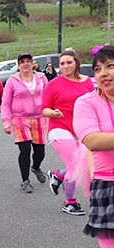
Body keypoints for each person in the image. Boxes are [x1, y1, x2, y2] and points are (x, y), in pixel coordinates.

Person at [72, 44, 114, 248]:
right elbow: (92, 140)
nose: (103, 74)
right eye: (98, 69)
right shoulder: (86, 102)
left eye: (110, 66)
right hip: (108, 186)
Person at [42, 49, 94, 215]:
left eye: (69, 62)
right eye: (62, 63)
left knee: (84, 162)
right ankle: (69, 202)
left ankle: (58, 175)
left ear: (76, 63)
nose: (65, 66)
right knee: (75, 164)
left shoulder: (87, 82)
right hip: (59, 128)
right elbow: (44, 109)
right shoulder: (53, 84)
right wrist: (54, 113)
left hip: (81, 129)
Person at [1, 52, 49, 193]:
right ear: (18, 65)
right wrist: (6, 122)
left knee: (40, 151)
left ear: (33, 63)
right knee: (25, 149)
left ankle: (35, 167)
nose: (25, 64)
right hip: (19, 118)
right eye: (22, 62)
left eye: (28, 61)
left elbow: (49, 95)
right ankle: (25, 181)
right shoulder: (12, 80)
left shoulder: (41, 78)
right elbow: (5, 103)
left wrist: (52, 113)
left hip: (40, 117)